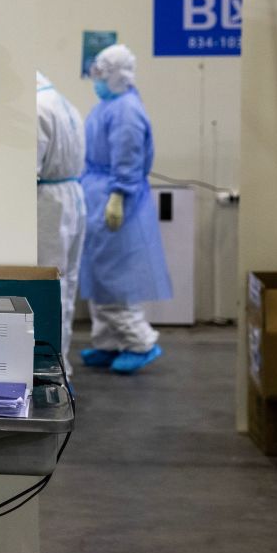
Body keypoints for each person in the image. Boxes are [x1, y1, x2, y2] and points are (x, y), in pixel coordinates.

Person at [77, 45, 172, 374]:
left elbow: (128, 157)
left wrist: (118, 194)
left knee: (115, 278)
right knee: (99, 274)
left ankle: (140, 342)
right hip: (98, 195)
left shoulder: (126, 111)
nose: (96, 80)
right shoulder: (110, 105)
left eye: (101, 74)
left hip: (115, 199)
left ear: (116, 74)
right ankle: (108, 341)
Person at [35, 71, 87, 377]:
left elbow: (30, 166)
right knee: (65, 284)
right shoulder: (63, 102)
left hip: (49, 205)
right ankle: (60, 364)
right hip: (72, 197)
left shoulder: (37, 107)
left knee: (47, 286)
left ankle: (48, 367)